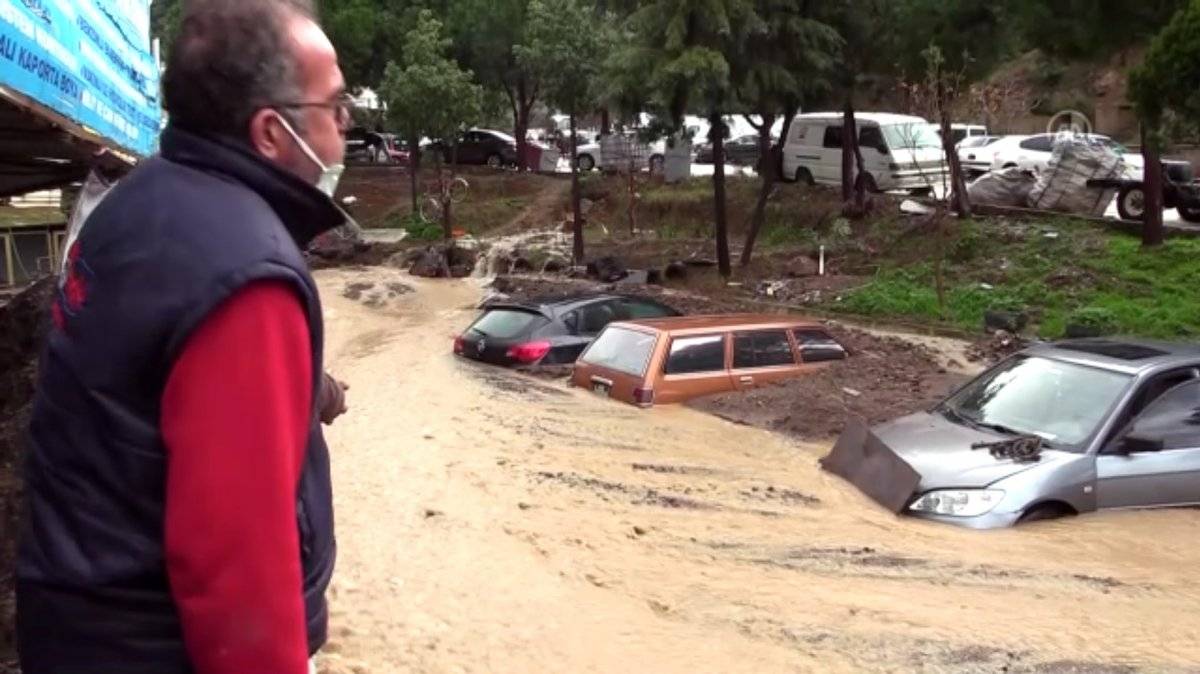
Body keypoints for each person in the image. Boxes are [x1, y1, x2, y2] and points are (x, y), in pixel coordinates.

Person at [16, 1, 348, 672]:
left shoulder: (141, 203)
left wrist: (301, 391)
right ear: (273, 132)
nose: (345, 131)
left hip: (72, 620)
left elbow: (144, 391)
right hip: (156, 646)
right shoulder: (248, 276)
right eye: (336, 110)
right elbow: (236, 571)